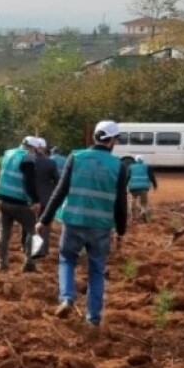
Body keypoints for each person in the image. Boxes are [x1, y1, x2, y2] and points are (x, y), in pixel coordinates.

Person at [37, 120, 129, 326]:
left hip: (74, 222)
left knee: (67, 260)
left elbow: (60, 191)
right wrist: (121, 231)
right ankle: (93, 318)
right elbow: (121, 203)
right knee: (96, 271)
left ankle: (67, 298)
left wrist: (44, 219)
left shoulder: (76, 157)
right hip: (101, 227)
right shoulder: (119, 166)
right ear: (112, 140)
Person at [0, 136, 42, 272]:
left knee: (4, 233)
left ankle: (2, 264)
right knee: (33, 231)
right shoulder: (27, 158)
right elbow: (29, 182)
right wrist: (35, 200)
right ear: (32, 147)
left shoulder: (8, 153)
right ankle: (29, 263)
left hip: (3, 199)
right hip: (19, 202)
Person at [126, 155, 158, 222]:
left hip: (133, 187)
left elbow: (127, 177)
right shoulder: (147, 167)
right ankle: (143, 211)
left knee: (133, 201)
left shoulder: (131, 167)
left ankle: (133, 217)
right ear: (143, 160)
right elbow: (152, 176)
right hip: (144, 187)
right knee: (144, 202)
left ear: (135, 160)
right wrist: (155, 185)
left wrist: (124, 186)